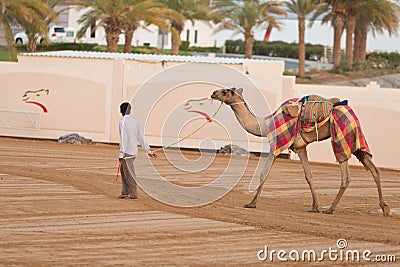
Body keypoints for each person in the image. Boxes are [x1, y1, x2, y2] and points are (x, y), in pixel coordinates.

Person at [118, 102, 156, 199]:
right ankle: (125, 192)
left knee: (129, 173)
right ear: (130, 111)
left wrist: (121, 154)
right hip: (133, 152)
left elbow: (124, 138)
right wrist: (148, 150)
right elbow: (141, 137)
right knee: (123, 171)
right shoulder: (135, 122)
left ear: (121, 111)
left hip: (127, 152)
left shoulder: (122, 121)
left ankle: (133, 193)